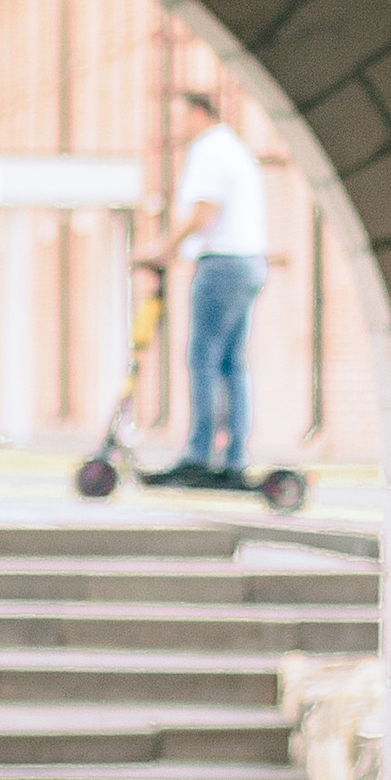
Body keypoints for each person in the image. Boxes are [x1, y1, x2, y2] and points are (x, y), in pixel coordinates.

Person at [146, 84, 270, 490]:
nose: (174, 126)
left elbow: (202, 213)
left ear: (200, 114)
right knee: (232, 365)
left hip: (221, 266)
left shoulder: (209, 150)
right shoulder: (232, 148)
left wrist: (163, 250)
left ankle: (199, 455)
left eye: (178, 116)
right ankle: (233, 458)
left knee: (202, 359)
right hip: (248, 262)